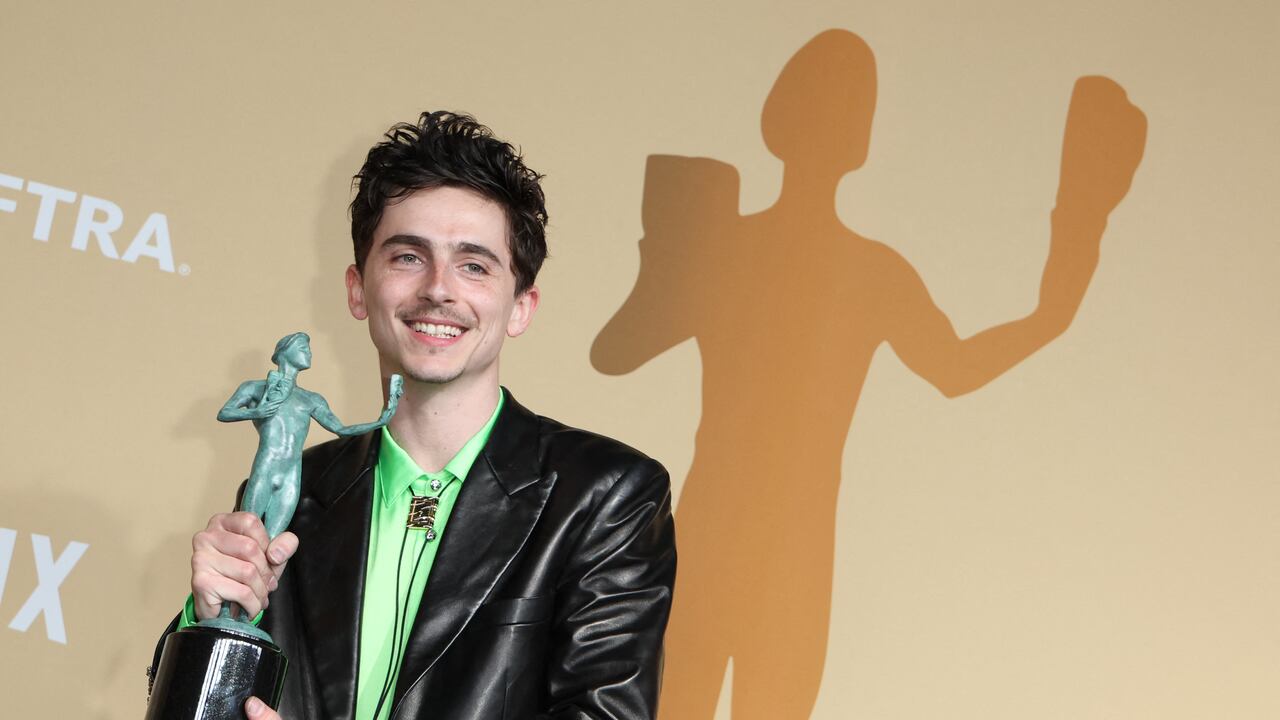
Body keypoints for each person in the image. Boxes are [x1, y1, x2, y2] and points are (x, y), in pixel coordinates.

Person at [152, 111, 676, 720]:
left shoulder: (606, 495)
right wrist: (209, 616)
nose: (439, 289)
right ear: (357, 289)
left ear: (520, 307)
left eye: (475, 265)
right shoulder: (296, 494)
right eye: (407, 257)